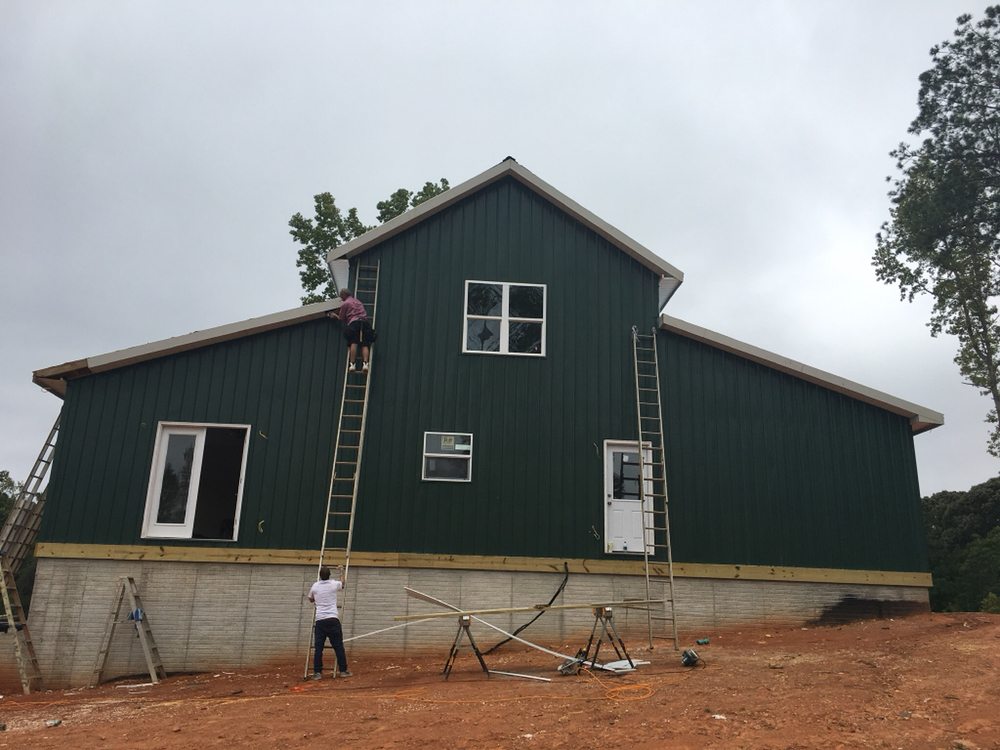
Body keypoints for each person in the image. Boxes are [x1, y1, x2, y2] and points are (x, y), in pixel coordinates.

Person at [307, 565, 351, 679]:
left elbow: (310, 599)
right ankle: (343, 671)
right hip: (332, 619)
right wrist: (341, 570)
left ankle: (317, 672)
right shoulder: (333, 584)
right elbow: (343, 583)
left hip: (320, 620)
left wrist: (317, 599)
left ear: (320, 576)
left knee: (318, 648)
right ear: (329, 575)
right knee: (338, 646)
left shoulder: (315, 586)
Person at [334, 288, 375, 373]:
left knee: (354, 342)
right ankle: (365, 364)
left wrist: (334, 315)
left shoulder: (346, 303)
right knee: (365, 344)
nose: (341, 298)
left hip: (354, 323)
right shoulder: (358, 302)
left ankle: (352, 364)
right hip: (364, 323)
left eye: (341, 296)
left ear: (344, 295)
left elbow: (341, 318)